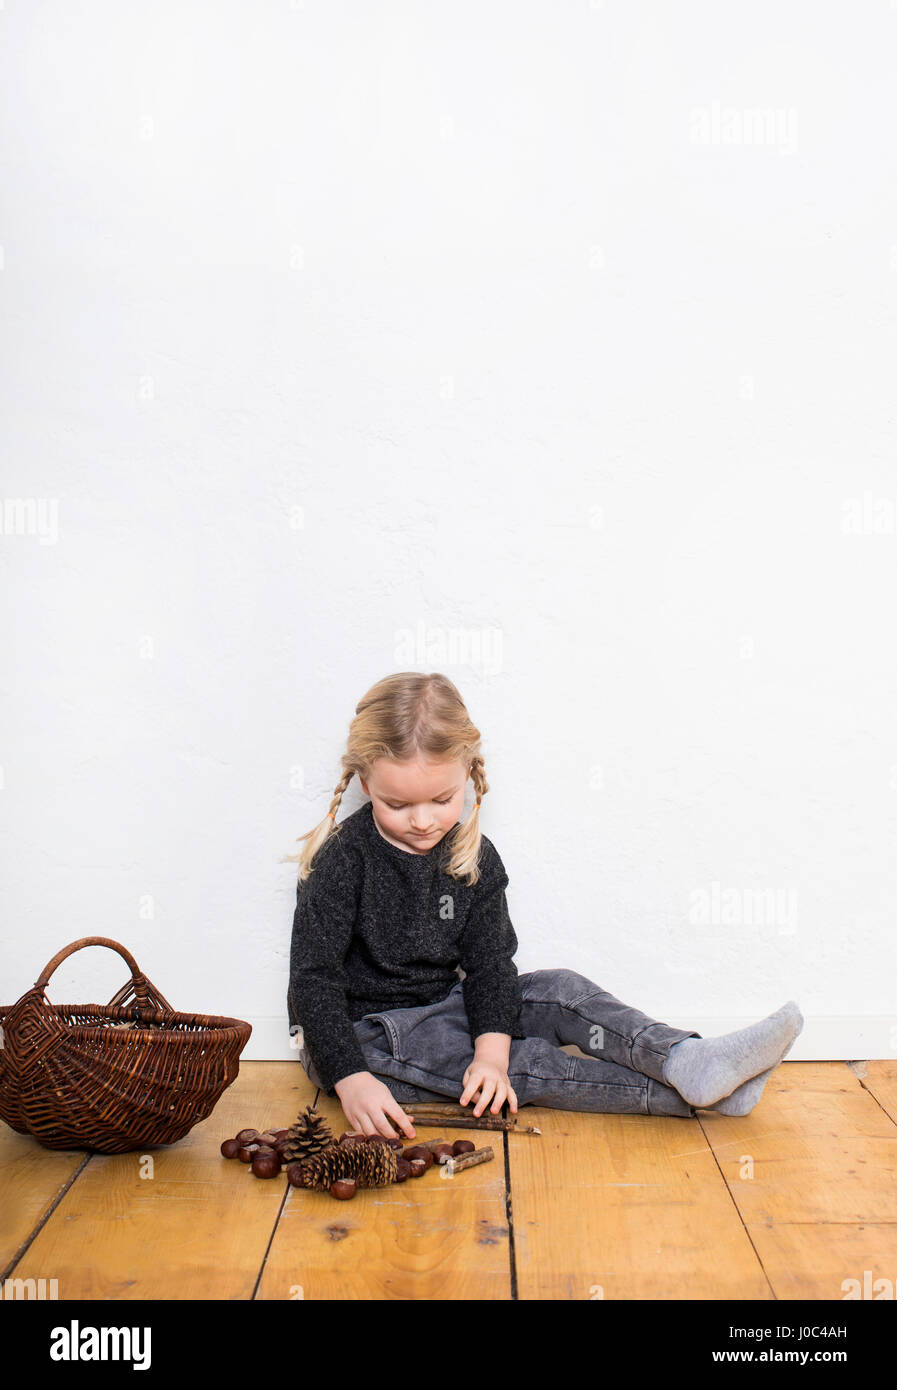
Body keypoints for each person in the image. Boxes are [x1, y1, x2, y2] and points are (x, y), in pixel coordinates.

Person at [284, 671, 803, 1140]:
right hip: (366, 1041)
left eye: (441, 800)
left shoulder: (473, 856)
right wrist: (350, 1078)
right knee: (525, 1064)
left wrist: (490, 1051)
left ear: (469, 774)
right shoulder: (342, 862)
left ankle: (683, 1058)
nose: (422, 820)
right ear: (365, 782)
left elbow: (489, 967)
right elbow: (314, 982)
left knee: (559, 990)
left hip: (446, 1010)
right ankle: (692, 1096)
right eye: (397, 805)